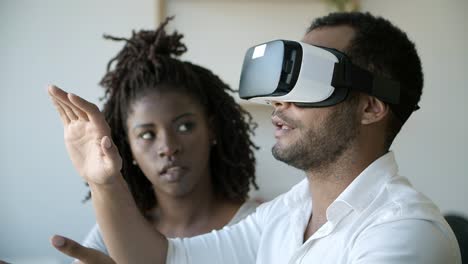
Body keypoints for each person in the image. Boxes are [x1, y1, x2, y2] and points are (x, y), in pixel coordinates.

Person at [49, 12, 461, 263]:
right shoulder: (285, 214)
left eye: (310, 78)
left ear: (371, 107)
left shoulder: (405, 234)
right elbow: (164, 258)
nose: (279, 101)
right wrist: (105, 181)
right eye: (284, 82)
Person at [49, 17, 260, 259]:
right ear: (128, 147)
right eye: (147, 134)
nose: (168, 148)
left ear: (211, 129)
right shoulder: (114, 228)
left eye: (184, 127)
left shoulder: (258, 225)